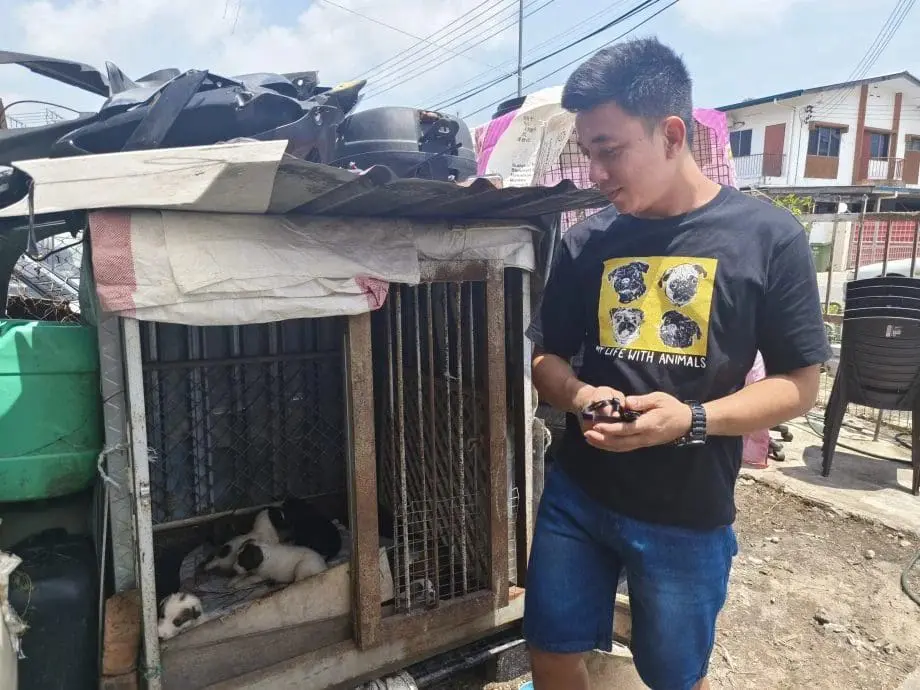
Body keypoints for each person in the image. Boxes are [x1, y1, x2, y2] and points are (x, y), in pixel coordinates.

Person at [523, 37, 831, 690]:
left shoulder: (768, 237)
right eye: (589, 154)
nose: (597, 173)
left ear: (669, 133)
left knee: (672, 676)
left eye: (610, 151)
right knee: (550, 652)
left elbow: (799, 384)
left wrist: (690, 419)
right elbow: (545, 355)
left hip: (686, 512)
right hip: (578, 494)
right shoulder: (587, 241)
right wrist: (578, 396)